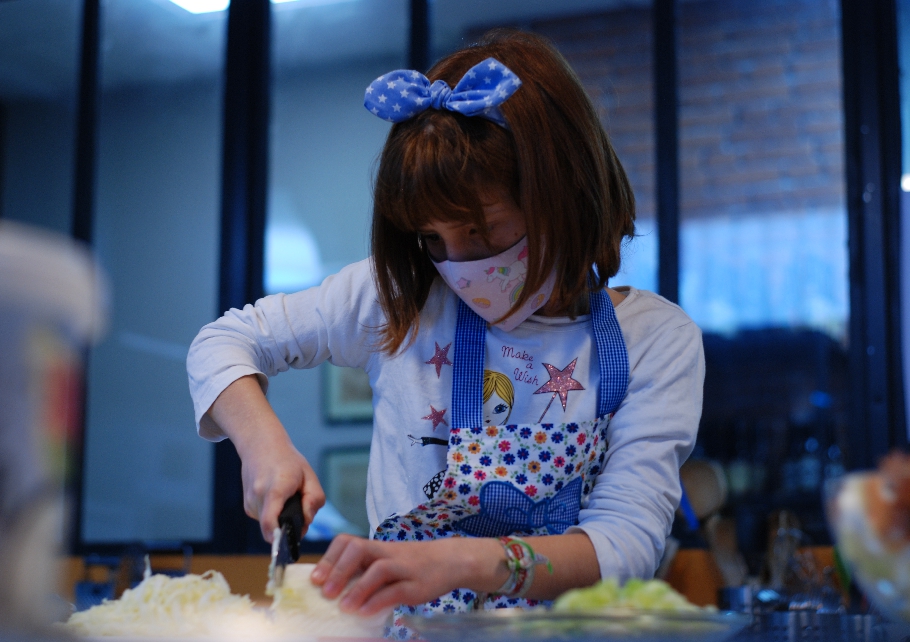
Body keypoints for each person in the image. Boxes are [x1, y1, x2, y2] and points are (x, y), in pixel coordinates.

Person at [187, 28, 704, 636]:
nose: (461, 267)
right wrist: (264, 448)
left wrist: (457, 562)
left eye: (483, 232)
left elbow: (624, 544)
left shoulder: (655, 339)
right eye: (433, 240)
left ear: (567, 197)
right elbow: (223, 342)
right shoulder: (399, 299)